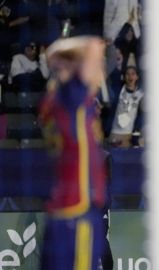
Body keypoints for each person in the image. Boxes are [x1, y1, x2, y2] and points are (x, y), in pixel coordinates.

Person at [38, 36, 107, 270]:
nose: (100, 74)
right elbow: (94, 47)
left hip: (61, 209)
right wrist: (73, 58)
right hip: (78, 211)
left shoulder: (54, 102)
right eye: (97, 68)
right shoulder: (71, 99)